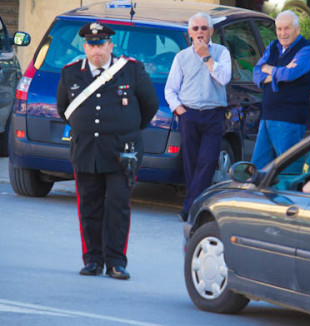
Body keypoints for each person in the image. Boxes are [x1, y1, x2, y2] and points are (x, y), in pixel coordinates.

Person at [56, 22, 159, 280]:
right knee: (89, 207)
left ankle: (116, 262)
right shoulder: (71, 73)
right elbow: (63, 110)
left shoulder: (131, 70)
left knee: (117, 206)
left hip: (122, 152)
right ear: (85, 47)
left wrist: (127, 130)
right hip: (86, 150)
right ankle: (92, 260)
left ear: (111, 45)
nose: (96, 49)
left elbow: (150, 106)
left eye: (101, 44)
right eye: (91, 44)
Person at [164, 12, 231, 221]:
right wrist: (181, 110)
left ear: (211, 31)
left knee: (208, 161)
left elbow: (224, 78)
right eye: (196, 29)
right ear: (190, 33)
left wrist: (206, 57)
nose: (200, 32)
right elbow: (170, 89)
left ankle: (189, 207)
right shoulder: (181, 57)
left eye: (204, 28)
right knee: (191, 162)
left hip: (213, 114)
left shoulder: (221, 53)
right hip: (190, 114)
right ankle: (195, 206)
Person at [252, 10, 310, 169]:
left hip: (289, 119)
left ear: (298, 29)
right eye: (279, 29)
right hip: (267, 116)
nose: (282, 33)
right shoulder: (274, 46)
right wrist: (275, 73)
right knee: (258, 169)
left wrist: (268, 70)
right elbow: (256, 73)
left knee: (286, 170)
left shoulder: (307, 49)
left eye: (287, 28)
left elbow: (289, 74)